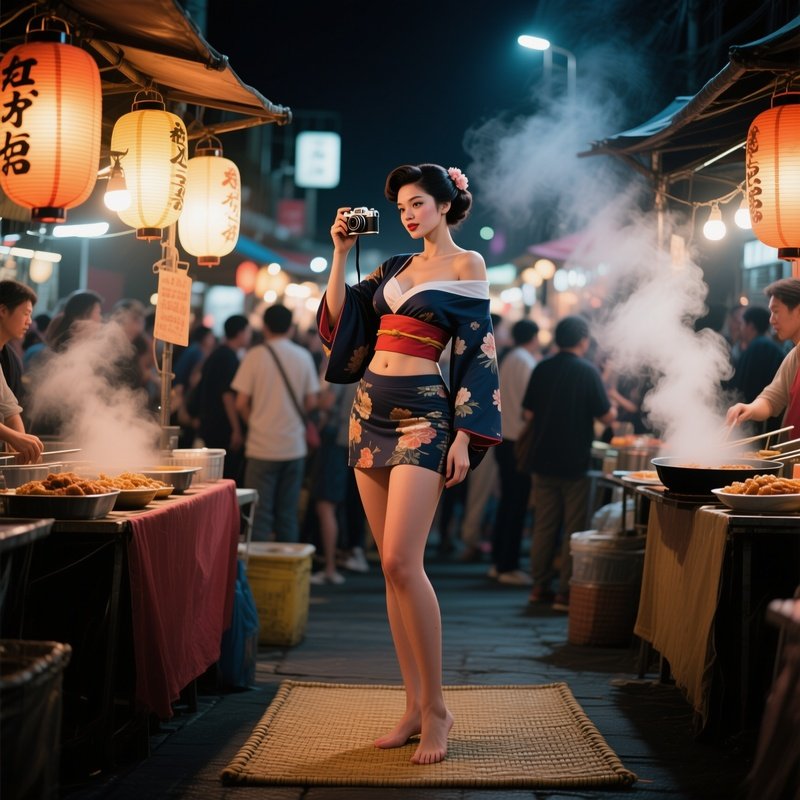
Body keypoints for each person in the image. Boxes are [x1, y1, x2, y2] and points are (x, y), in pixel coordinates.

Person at [318, 163, 501, 764]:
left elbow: (477, 351)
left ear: (445, 206)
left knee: (403, 559)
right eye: (401, 206)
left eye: (418, 203)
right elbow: (343, 326)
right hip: (368, 410)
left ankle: (438, 710)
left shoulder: (466, 265)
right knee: (389, 568)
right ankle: (412, 705)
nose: (408, 213)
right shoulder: (393, 268)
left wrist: (464, 437)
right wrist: (340, 255)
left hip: (425, 416)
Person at [521, 314, 616, 611]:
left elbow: (528, 415)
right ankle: (565, 592)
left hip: (542, 457)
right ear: (583, 341)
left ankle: (539, 586)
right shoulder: (588, 372)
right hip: (575, 460)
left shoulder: (542, 368)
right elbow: (606, 416)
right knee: (574, 527)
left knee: (544, 525)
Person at [233, 304, 319, 542]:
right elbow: (312, 402)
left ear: (265, 326)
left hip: (261, 447)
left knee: (259, 514)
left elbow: (240, 403)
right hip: (293, 447)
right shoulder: (303, 357)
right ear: (291, 328)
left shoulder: (254, 356)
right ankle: (287, 574)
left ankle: (259, 574)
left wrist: (257, 422)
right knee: (288, 514)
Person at [489, 318, 539, 585]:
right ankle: (507, 565)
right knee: (516, 504)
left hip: (503, 439)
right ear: (535, 337)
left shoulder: (509, 358)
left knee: (507, 503)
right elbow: (530, 410)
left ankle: (499, 562)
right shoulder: (527, 363)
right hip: (518, 441)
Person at [726, 279, 800, 434]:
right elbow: (772, 398)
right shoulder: (795, 356)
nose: (771, 319)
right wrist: (749, 409)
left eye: (776, 311)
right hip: (792, 456)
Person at [196, 314, 251, 483]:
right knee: (225, 477)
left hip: (211, 423)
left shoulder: (218, 353)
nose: (249, 335)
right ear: (240, 333)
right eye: (248, 331)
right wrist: (236, 429)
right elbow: (227, 395)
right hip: (221, 426)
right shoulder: (228, 357)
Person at [0, 280, 44, 463]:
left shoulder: (9, 357)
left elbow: (9, 408)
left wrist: (25, 448)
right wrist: (14, 438)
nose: (30, 321)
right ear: (2, 311)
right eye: (26, 313)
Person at [731, 305, 786, 405]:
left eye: (743, 324)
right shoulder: (765, 345)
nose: (740, 328)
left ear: (750, 326)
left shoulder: (759, 346)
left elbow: (750, 387)